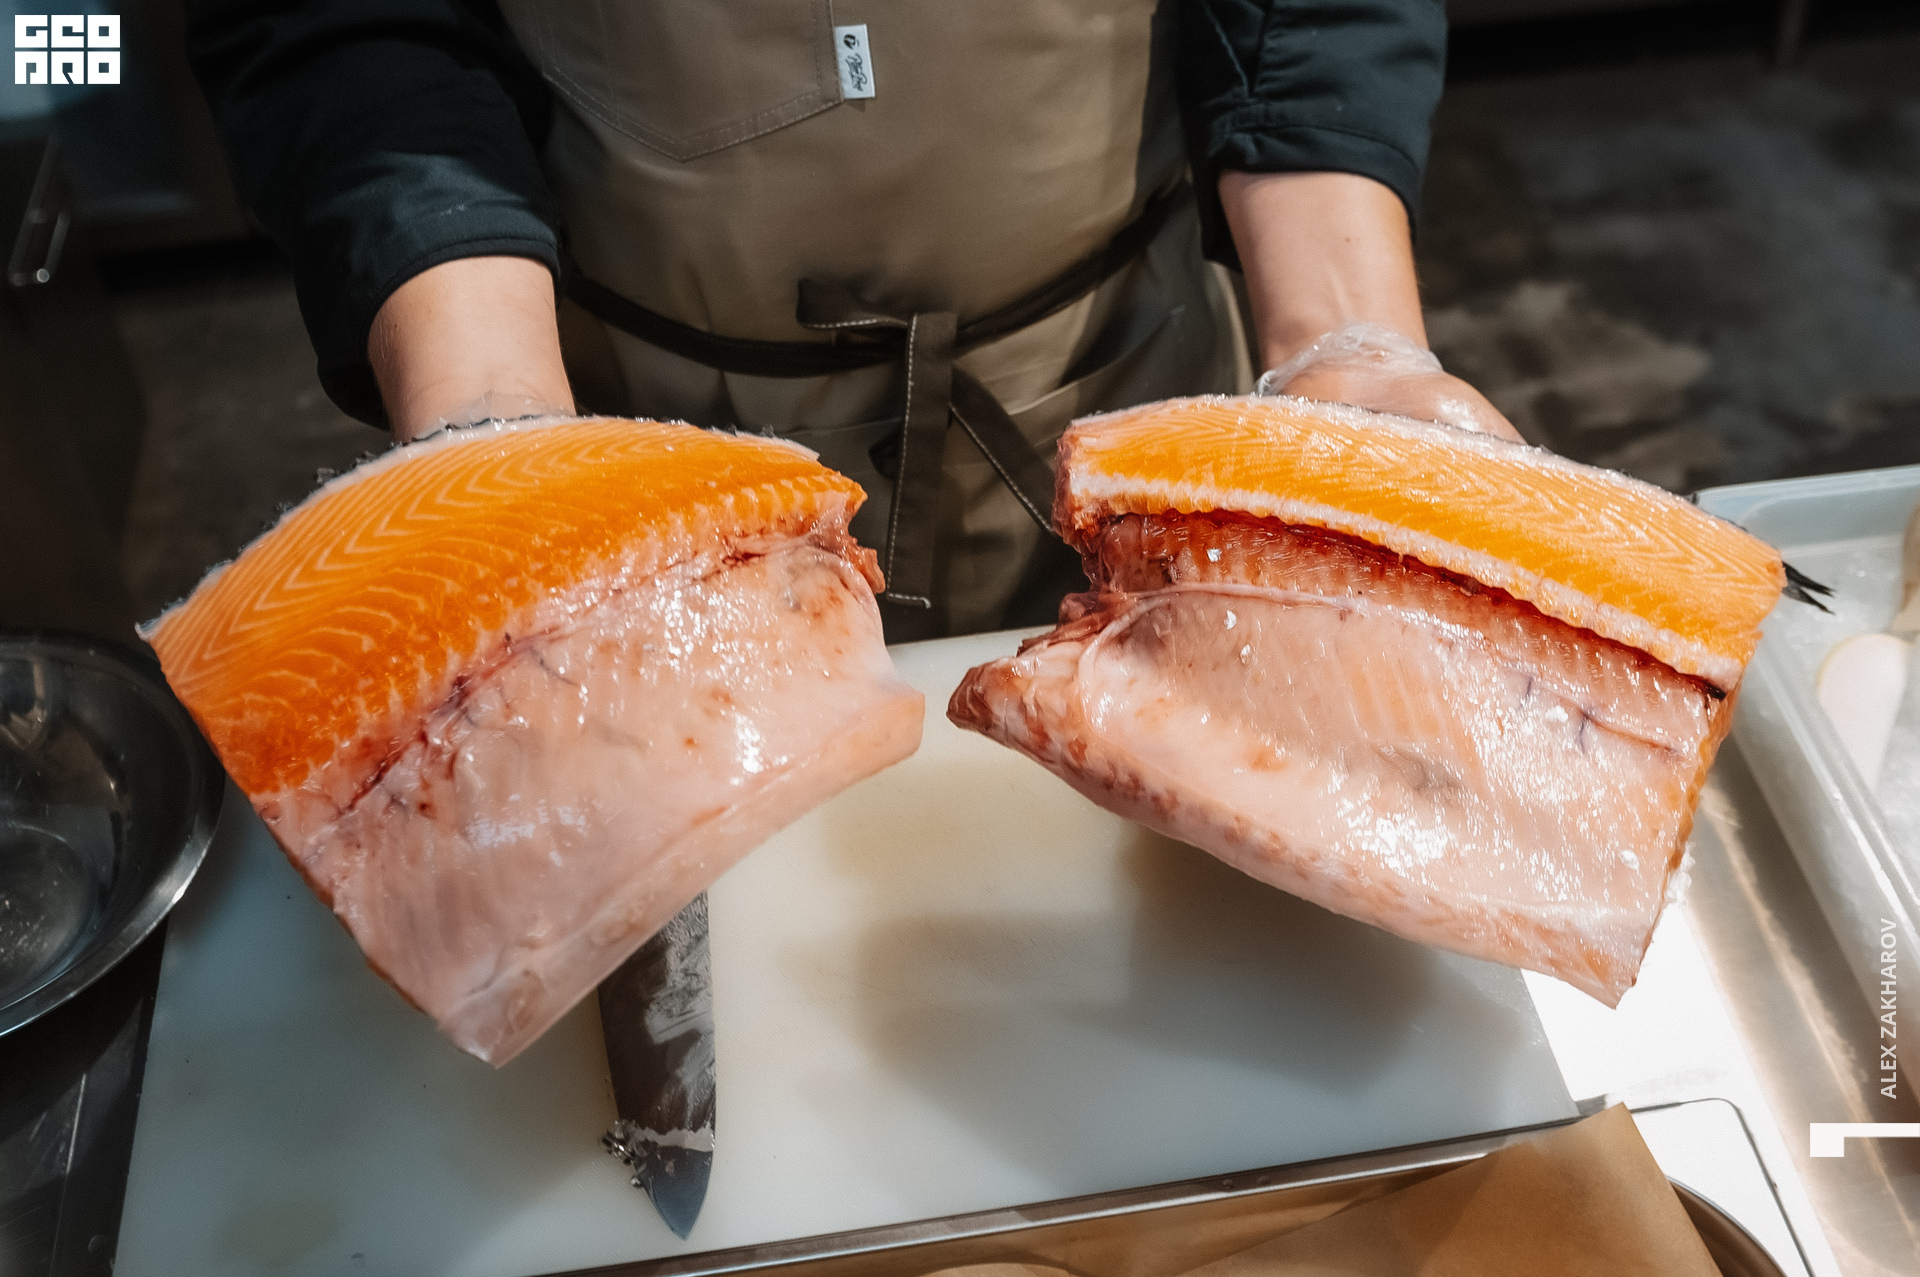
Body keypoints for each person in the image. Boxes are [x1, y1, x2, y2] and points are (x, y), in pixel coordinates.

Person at [186, 0, 1517, 641]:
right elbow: (347, 27)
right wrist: (495, 432)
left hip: (1117, 388)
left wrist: (1349, 342)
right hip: (638, 449)